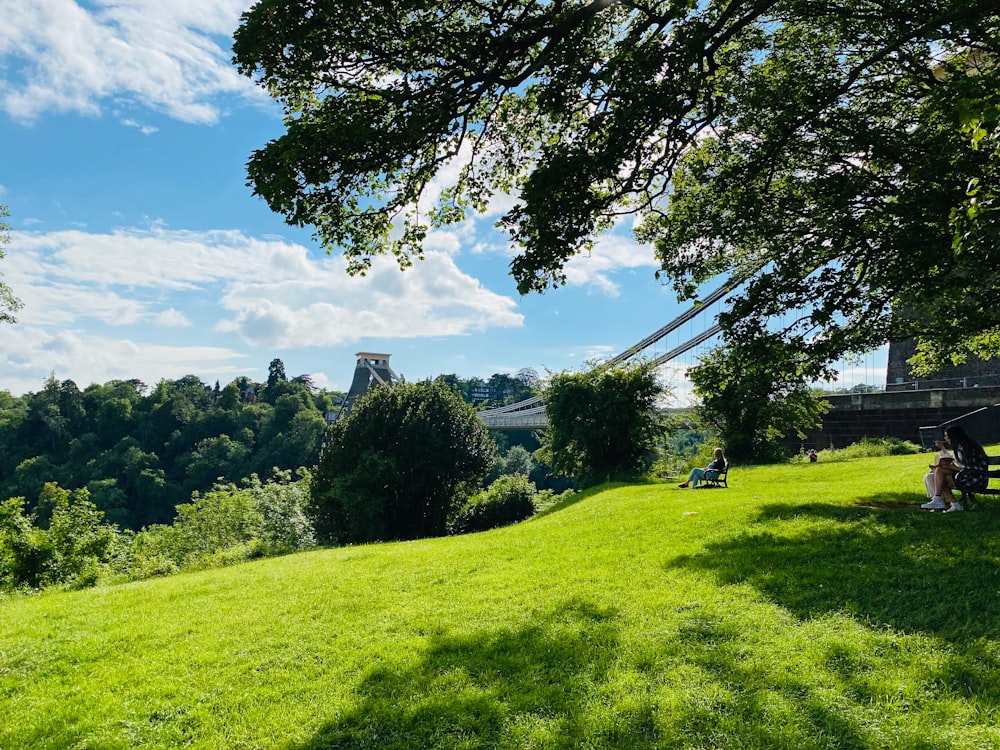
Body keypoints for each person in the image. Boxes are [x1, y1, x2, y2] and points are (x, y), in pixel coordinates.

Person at [922, 425, 989, 512]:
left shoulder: (966, 447)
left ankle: (944, 502)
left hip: (975, 478)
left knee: (939, 474)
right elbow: (958, 463)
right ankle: (943, 502)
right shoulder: (960, 447)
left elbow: (971, 468)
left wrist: (952, 467)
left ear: (953, 436)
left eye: (946, 436)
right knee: (932, 475)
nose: (945, 438)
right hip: (967, 476)